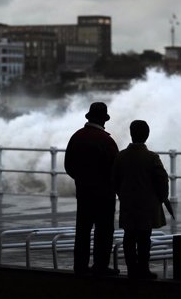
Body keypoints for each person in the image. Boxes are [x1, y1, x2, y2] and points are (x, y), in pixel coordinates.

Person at [64, 102, 119, 276]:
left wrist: (81, 179)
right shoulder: (106, 141)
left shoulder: (77, 137)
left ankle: (80, 266)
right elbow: (115, 169)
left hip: (84, 192)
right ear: (103, 120)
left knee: (83, 230)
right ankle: (100, 266)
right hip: (104, 194)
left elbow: (68, 165)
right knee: (103, 230)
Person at [112, 120, 169, 279]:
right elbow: (162, 180)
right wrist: (162, 197)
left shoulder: (121, 156)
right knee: (144, 238)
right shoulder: (152, 158)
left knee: (129, 236)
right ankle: (143, 269)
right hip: (147, 206)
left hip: (128, 204)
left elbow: (114, 181)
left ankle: (132, 269)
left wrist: (122, 195)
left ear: (131, 134)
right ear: (147, 135)